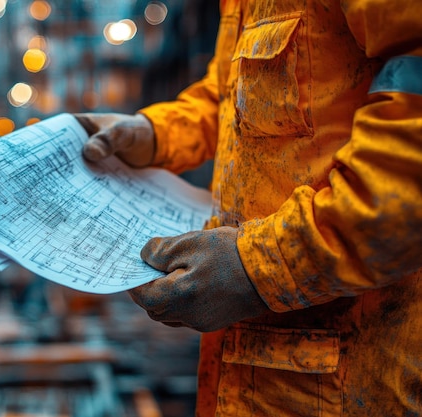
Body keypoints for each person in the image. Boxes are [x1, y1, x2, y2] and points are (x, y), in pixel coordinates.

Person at [74, 0, 422, 415]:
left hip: (352, 378)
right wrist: (156, 132)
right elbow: (234, 94)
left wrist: (256, 268)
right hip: (256, 373)